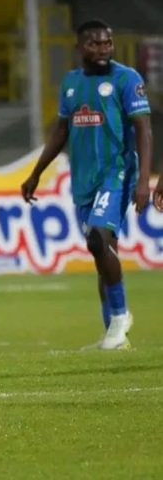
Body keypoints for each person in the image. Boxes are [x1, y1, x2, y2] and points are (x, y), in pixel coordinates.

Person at [21, 19, 152, 350]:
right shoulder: (71, 83)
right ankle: (113, 334)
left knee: (98, 236)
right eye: (95, 44)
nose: (103, 48)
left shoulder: (126, 79)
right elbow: (62, 131)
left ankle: (121, 317)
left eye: (108, 42)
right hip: (83, 179)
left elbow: (143, 130)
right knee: (100, 251)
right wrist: (36, 172)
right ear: (79, 48)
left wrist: (144, 182)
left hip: (116, 171)